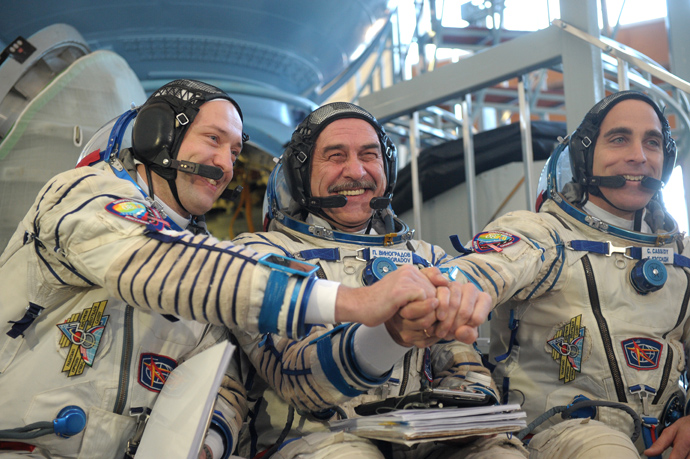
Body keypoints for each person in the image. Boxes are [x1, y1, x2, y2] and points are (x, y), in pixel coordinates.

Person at [0, 81, 445, 459]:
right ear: (158, 136)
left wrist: (208, 444)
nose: (227, 165)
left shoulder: (213, 265)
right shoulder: (84, 194)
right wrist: (355, 302)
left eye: (235, 150)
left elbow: (223, 386)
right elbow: (156, 264)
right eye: (213, 140)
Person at [231, 102, 528, 459]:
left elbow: (463, 362)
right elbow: (298, 379)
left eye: (369, 155)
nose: (356, 171)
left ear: (387, 168)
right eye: (335, 156)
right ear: (301, 173)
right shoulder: (260, 254)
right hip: (311, 443)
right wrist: (390, 333)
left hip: (421, 441)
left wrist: (462, 408)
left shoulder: (427, 258)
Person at [439, 90, 690, 458]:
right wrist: (453, 292)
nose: (639, 156)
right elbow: (470, 275)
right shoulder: (544, 234)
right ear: (585, 155)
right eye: (620, 139)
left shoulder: (680, 256)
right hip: (555, 437)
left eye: (652, 142)